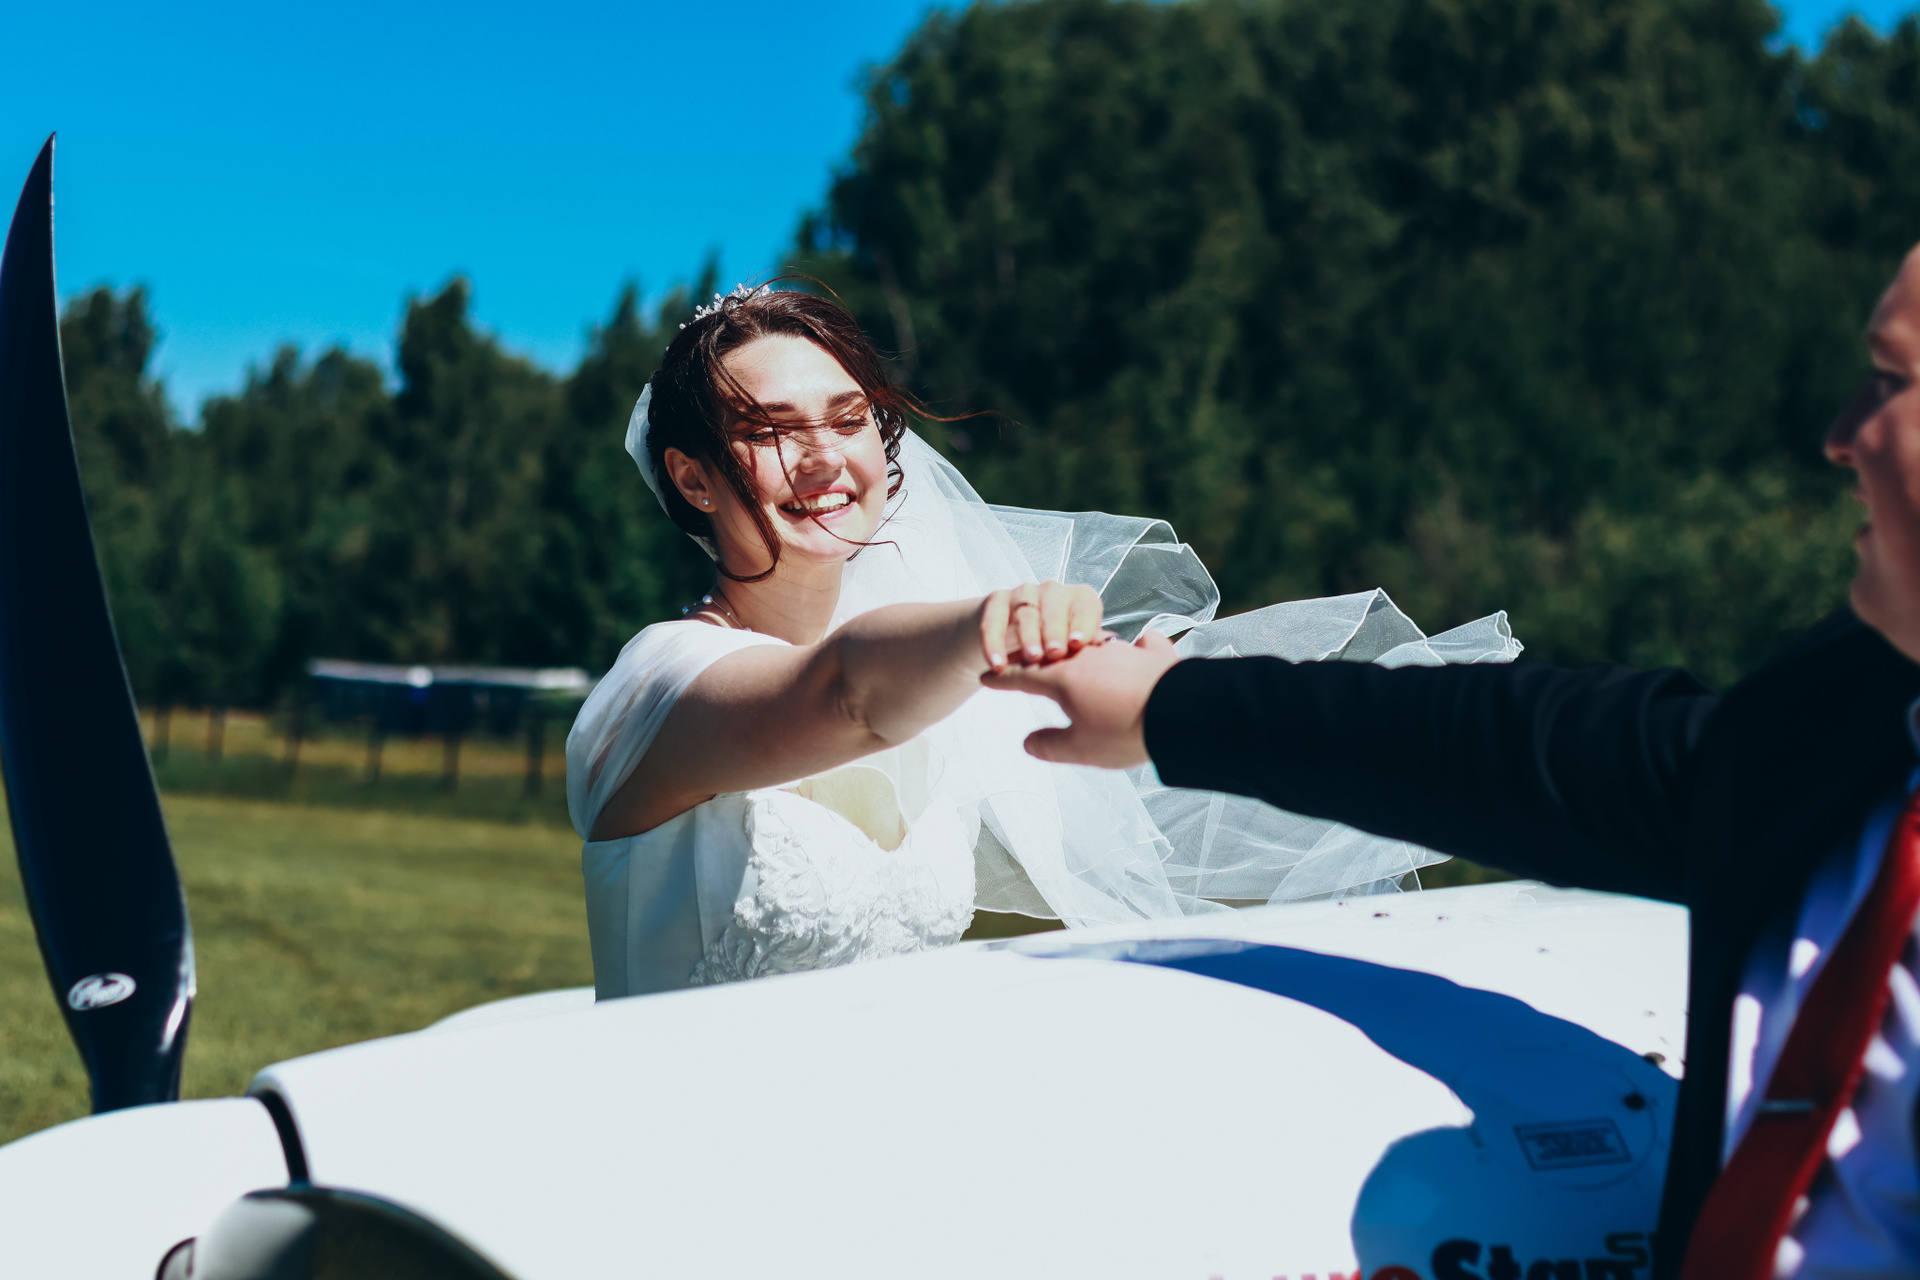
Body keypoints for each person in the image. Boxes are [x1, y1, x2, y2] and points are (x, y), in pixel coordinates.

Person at [985, 249, 1920, 1278]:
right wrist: (1172, 707)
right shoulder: (1850, 711)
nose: (1841, 434)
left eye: (1893, 378)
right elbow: (1533, 753)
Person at [565, 283, 1522, 1001]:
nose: (823, 456)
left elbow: (1146, 822)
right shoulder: (660, 686)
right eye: (771, 430)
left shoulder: (943, 703)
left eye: (848, 418)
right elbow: (844, 694)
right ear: (693, 479)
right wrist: (994, 624)